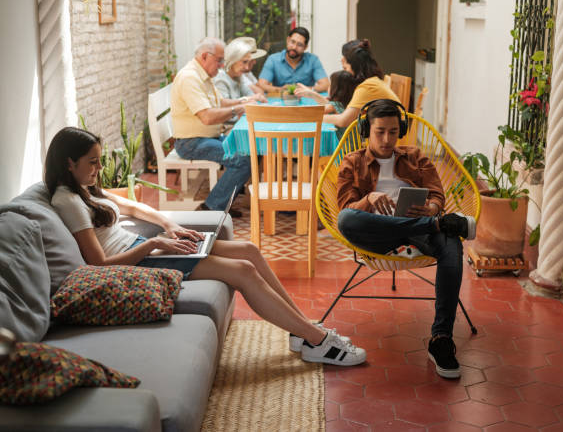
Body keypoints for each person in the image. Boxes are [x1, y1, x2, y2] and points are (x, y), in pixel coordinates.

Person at [44, 127, 367, 367]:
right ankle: (317, 341)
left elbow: (136, 209)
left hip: (146, 248)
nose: (98, 168)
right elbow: (98, 265)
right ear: (69, 162)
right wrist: (155, 244)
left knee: (248, 250)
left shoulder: (87, 189)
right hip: (134, 264)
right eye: (92, 162)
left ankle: (302, 328)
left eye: (100, 161)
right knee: (242, 270)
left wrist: (170, 226)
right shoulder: (68, 200)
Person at [335, 99, 476, 378]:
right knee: (346, 221)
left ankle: (441, 339)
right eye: (379, 132)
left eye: (393, 131)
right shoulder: (352, 162)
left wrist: (433, 208)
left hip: (422, 229)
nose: (387, 139)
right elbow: (345, 209)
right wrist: (368, 199)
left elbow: (437, 193)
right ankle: (438, 224)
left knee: (451, 245)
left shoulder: (415, 156)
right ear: (367, 130)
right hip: (378, 234)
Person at [171, 37, 254, 217]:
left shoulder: (204, 76)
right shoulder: (189, 78)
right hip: (191, 142)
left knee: (250, 149)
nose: (222, 65)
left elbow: (220, 102)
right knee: (242, 160)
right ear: (204, 56)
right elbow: (207, 117)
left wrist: (243, 101)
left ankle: (222, 201)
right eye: (219, 60)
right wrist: (238, 109)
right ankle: (210, 208)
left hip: (207, 138)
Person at [298, 39, 399, 139]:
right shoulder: (372, 82)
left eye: (345, 68)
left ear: (356, 66)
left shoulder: (367, 87)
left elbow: (343, 120)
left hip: (389, 138)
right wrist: (312, 94)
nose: (345, 73)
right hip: (388, 134)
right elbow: (338, 109)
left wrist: (313, 118)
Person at [258, 27, 329, 93]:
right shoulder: (273, 59)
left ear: (305, 47)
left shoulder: (313, 60)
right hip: (281, 101)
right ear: (288, 40)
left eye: (300, 45)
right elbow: (262, 85)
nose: (294, 47)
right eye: (292, 42)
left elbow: (325, 85)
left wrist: (305, 90)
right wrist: (281, 90)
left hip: (306, 102)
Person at [213, 38, 267, 124]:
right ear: (232, 60)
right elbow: (223, 113)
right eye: (244, 62)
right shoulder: (220, 78)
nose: (246, 67)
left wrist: (251, 100)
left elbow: (252, 96)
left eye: (248, 62)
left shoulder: (238, 75)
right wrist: (247, 102)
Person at [294, 70, 359, 140]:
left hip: (345, 147)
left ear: (335, 89)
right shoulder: (350, 103)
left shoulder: (333, 106)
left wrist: (297, 113)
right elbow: (326, 103)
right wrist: (311, 93)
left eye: (330, 85)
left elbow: (315, 113)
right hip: (356, 143)